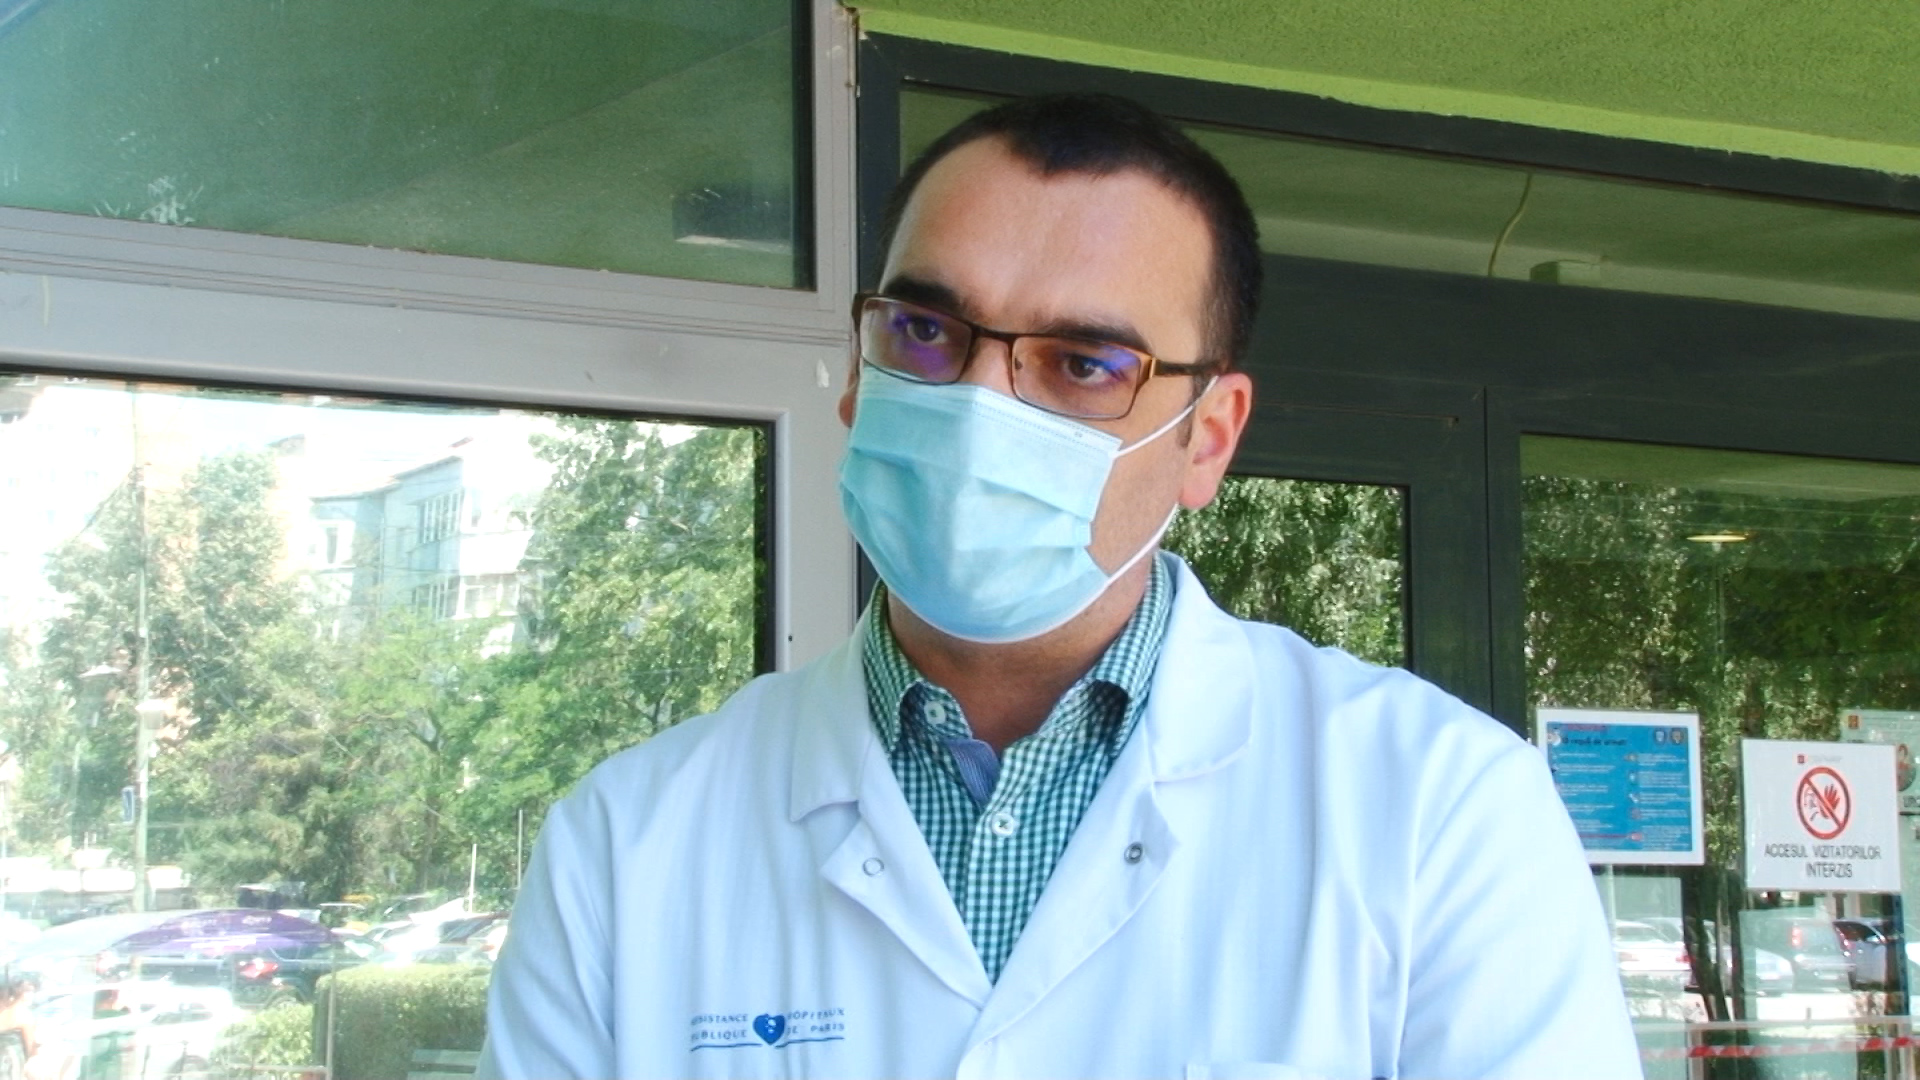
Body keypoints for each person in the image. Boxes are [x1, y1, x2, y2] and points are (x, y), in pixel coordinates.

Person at [478, 93, 1639, 1079]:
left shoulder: (1440, 813)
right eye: (926, 330)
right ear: (859, 374)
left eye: (1084, 363)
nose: (979, 404)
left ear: (1208, 439)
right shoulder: (626, 847)